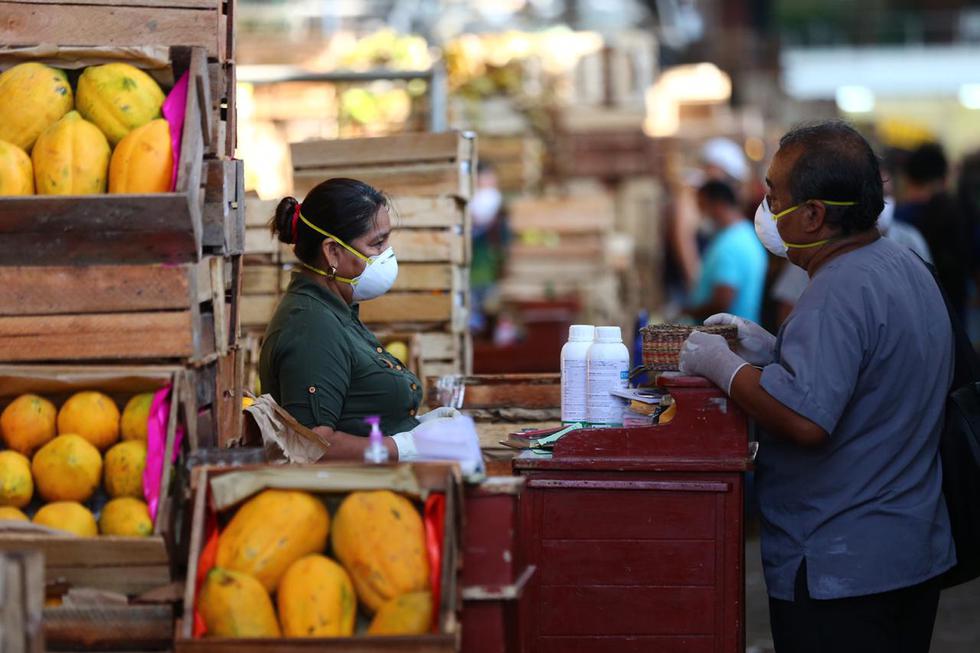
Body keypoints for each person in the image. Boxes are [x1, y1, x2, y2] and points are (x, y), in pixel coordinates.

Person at [679, 121, 954, 652]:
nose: (765, 205)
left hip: (841, 563)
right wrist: (771, 351)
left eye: (774, 194)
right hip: (906, 550)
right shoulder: (901, 264)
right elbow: (869, 373)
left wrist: (721, 366)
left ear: (812, 215)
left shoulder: (838, 288)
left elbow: (806, 420)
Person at [259, 178, 471, 462]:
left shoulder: (336, 310)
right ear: (332, 252)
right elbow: (311, 445)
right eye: (377, 243)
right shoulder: (311, 327)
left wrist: (418, 426)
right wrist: (405, 446)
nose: (387, 255)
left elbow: (355, 413)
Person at [896, 142, 971, 321]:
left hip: (915, 319)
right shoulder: (961, 210)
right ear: (945, 177)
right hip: (955, 316)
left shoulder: (899, 219)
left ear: (908, 179)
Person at [686, 179, 767, 322]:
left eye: (702, 206)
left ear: (717, 205)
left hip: (727, 339)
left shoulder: (731, 244)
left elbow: (721, 303)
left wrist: (685, 312)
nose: (700, 214)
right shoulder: (745, 233)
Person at [469, 161, 510, 337]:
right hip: (471, 272)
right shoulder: (469, 209)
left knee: (490, 311)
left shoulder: (499, 210)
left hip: (490, 271)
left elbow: (504, 241)